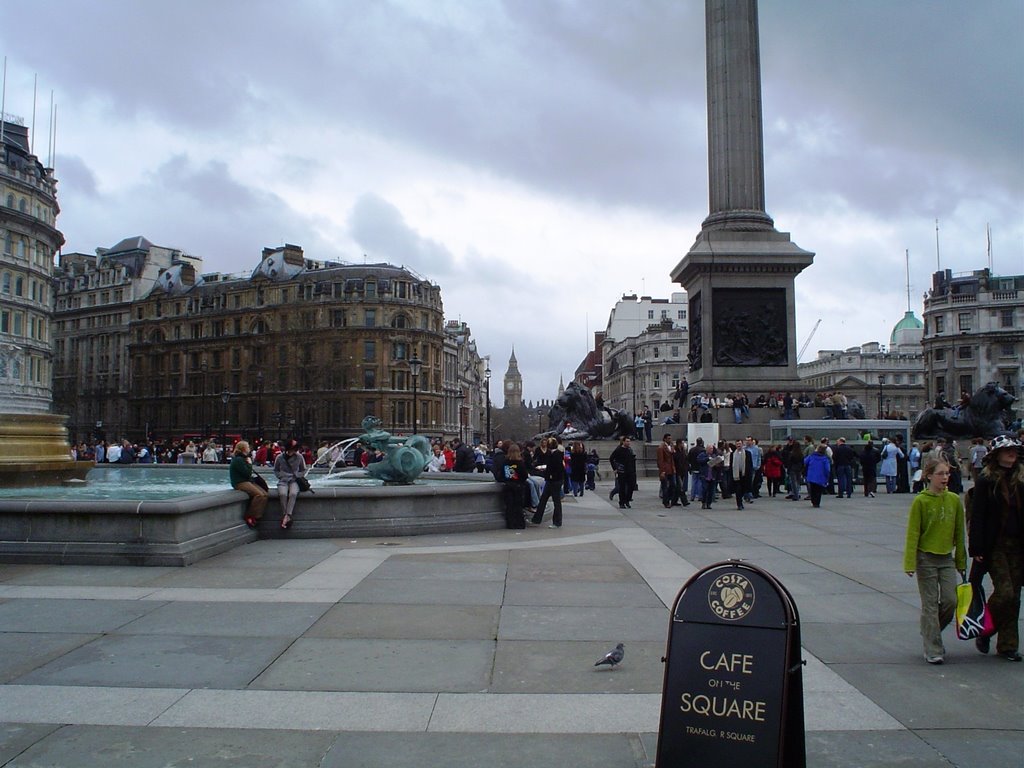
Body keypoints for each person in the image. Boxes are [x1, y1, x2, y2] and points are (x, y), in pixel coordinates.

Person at [903, 458, 967, 664]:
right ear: (929, 476)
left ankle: (930, 631)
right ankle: (933, 648)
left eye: (947, 474)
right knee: (930, 604)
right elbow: (913, 533)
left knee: (950, 600)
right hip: (925, 558)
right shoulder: (920, 501)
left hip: (946, 557)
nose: (945, 478)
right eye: (940, 474)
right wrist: (910, 563)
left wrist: (961, 561)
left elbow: (959, 532)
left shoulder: (954, 500)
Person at [968, 435, 1024, 662]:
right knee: (1005, 593)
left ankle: (1008, 646)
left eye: (1014, 450)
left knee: (1015, 596)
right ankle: (985, 628)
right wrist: (976, 547)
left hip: (1019, 544)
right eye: (1007, 450)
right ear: (997, 455)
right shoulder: (986, 480)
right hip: (996, 545)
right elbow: (978, 515)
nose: (1012, 453)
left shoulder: (1021, 479)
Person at [229, 440, 269, 529]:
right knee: (259, 495)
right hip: (240, 482)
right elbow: (247, 473)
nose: (249, 449)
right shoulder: (239, 460)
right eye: (247, 447)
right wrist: (250, 464)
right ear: (243, 449)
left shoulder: (243, 458)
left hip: (247, 481)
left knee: (265, 494)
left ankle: (256, 516)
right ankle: (250, 515)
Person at [273, 439, 307, 530]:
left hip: (294, 480)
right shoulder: (280, 457)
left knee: (293, 494)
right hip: (283, 481)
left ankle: (288, 516)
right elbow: (275, 469)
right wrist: (280, 476)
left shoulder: (299, 457)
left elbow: (303, 469)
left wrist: (298, 475)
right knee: (283, 494)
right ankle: (285, 515)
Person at [531, 437, 564, 528]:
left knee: (555, 501)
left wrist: (550, 475)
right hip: (552, 480)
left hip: (554, 481)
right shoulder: (556, 454)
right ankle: (537, 519)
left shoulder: (555, 454)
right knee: (544, 500)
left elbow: (556, 469)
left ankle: (557, 522)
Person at [609, 435, 637, 509]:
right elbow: (611, 458)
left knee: (631, 486)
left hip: (630, 471)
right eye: (627, 441)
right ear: (623, 442)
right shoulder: (619, 449)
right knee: (622, 487)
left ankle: (627, 500)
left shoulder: (629, 450)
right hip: (622, 471)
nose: (628, 443)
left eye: (629, 441)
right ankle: (622, 502)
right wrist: (615, 468)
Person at [804, 443, 832, 508]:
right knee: (818, 491)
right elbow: (827, 469)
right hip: (821, 477)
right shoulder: (825, 459)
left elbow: (805, 462)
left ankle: (813, 501)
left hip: (811, 476)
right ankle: (817, 502)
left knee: (813, 489)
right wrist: (827, 476)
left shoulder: (812, 456)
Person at [656, 434, 677, 508]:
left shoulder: (671, 447)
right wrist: (662, 471)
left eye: (670, 438)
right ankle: (666, 502)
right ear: (664, 439)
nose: (670, 440)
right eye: (668, 438)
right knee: (665, 486)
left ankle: (670, 499)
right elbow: (660, 460)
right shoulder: (661, 448)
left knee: (673, 485)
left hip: (671, 469)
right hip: (665, 469)